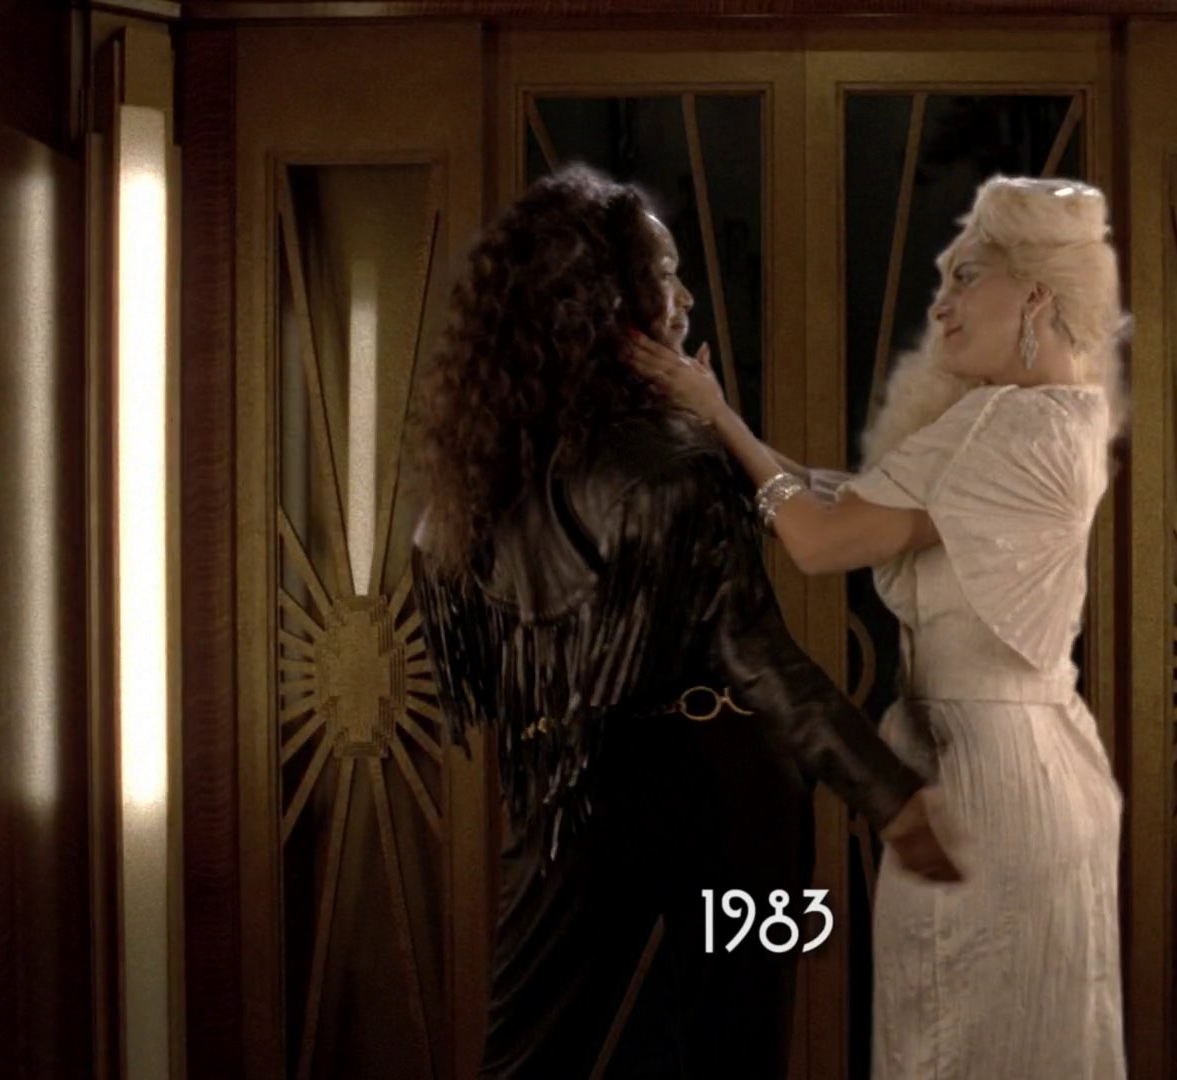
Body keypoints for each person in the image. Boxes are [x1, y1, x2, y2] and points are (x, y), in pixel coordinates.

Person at [408, 165, 961, 1080]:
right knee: (738, 1045)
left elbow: (476, 665)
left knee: (533, 1052)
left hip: (573, 789)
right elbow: (756, 649)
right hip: (735, 787)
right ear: (611, 302)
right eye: (666, 275)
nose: (688, 297)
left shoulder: (470, 483)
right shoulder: (674, 462)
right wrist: (891, 796)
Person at [631, 175, 1128, 1078]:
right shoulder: (1069, 417)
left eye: (965, 277)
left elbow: (820, 540)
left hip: (978, 775)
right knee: (1040, 1035)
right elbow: (842, 497)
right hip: (1053, 764)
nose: (941, 306)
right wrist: (723, 428)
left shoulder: (996, 423)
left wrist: (718, 418)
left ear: (1034, 293)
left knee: (955, 1042)